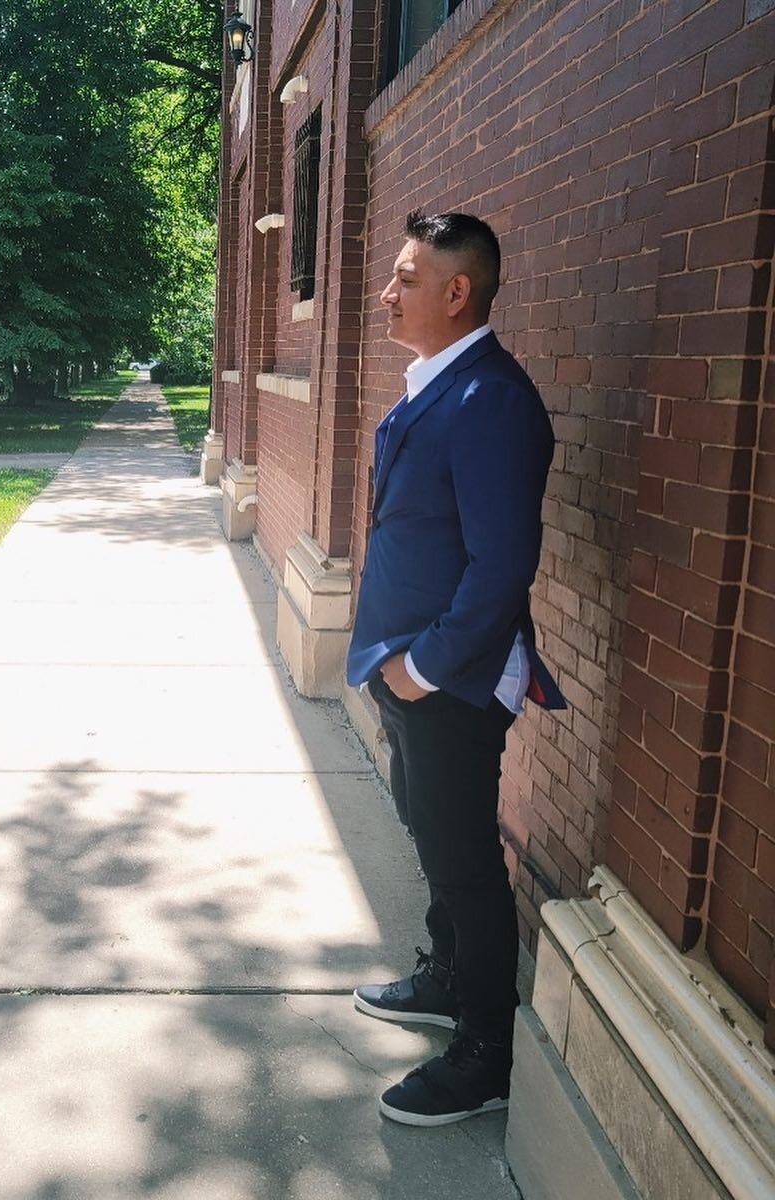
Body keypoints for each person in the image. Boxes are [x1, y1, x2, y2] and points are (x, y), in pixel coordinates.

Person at [346, 211, 565, 1127]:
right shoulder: (438, 384)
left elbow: (502, 564)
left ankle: (485, 1054)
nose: (388, 293)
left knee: (466, 859)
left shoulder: (491, 401)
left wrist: (425, 669)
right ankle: (445, 976)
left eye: (404, 278)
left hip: (450, 682)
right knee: (432, 834)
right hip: (408, 674)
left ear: (457, 292)